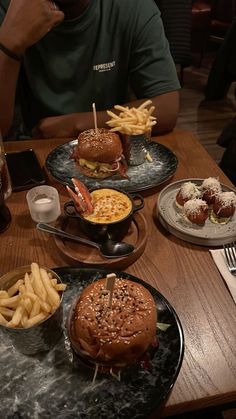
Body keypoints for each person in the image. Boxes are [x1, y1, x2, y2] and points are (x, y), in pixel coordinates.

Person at [0, 0, 180, 139]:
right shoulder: (9, 10)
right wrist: (9, 44)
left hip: (112, 149)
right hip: (33, 148)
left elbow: (166, 107)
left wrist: (75, 125)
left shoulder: (133, 7)